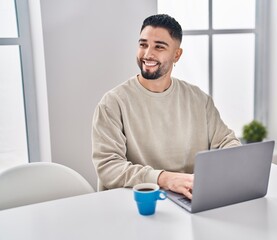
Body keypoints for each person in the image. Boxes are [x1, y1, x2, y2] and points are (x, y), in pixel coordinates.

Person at [92, 14, 240, 199]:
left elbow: (227, 141)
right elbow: (108, 167)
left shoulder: (199, 100)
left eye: (159, 47)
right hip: (136, 204)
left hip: (187, 200)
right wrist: (164, 178)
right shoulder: (112, 103)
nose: (147, 54)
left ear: (176, 54)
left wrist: (227, 164)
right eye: (143, 44)